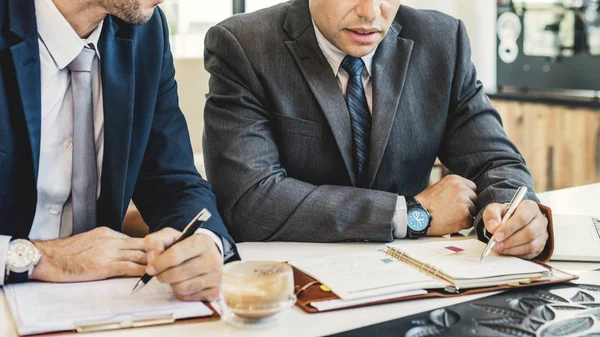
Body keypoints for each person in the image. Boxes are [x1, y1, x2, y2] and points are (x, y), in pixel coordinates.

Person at [203, 0, 552, 261]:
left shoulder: (443, 41)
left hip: (414, 278)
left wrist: (513, 211)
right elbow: (249, 201)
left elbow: (494, 161)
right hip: (290, 283)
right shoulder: (244, 45)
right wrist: (410, 214)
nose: (371, 12)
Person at [0, 0, 239, 301]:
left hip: (103, 305)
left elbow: (172, 182)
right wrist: (37, 259)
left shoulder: (146, 33)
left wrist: (205, 242)